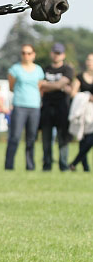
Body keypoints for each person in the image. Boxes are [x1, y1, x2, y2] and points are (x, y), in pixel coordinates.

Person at [5, 44, 45, 170]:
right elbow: (11, 87)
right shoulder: (14, 69)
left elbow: (39, 87)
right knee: (15, 137)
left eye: (28, 53)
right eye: (23, 53)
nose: (26, 55)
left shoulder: (38, 70)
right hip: (19, 106)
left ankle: (30, 166)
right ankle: (9, 166)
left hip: (34, 107)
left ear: (33, 55)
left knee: (31, 138)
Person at [39, 42, 74, 171]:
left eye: (59, 53)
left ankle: (63, 166)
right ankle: (47, 165)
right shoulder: (45, 69)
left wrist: (47, 85)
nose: (56, 56)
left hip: (62, 108)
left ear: (63, 55)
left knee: (62, 138)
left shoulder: (67, 69)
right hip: (47, 108)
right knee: (46, 139)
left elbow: (59, 85)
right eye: (54, 53)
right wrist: (58, 85)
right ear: (51, 53)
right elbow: (41, 85)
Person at [69, 53, 93, 171]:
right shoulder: (80, 77)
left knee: (90, 139)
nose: (90, 62)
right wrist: (86, 97)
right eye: (89, 60)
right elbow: (73, 93)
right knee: (83, 139)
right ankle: (85, 167)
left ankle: (74, 163)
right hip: (83, 110)